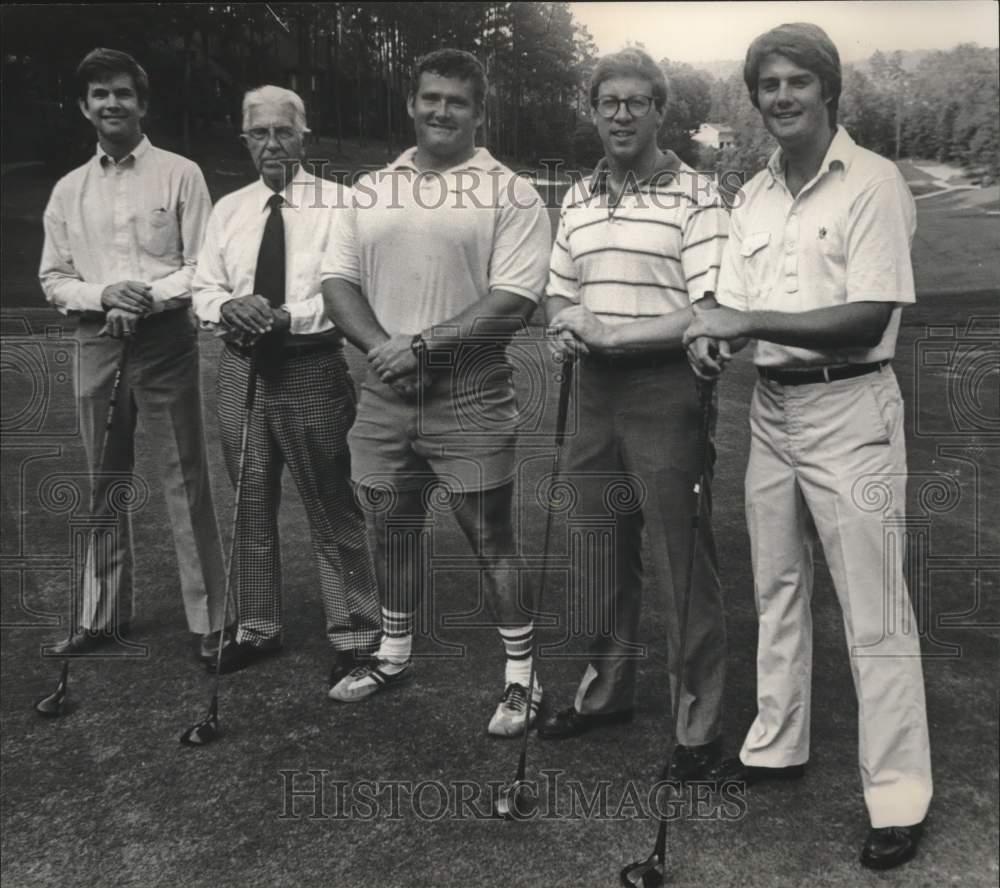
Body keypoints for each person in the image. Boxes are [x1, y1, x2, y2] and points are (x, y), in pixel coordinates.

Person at [684, 22, 932, 870]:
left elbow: (868, 316)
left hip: (852, 410)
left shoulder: (873, 181)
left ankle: (898, 794)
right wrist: (712, 339)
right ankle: (775, 744)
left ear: (829, 90)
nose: (781, 96)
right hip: (772, 412)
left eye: (798, 82)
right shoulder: (752, 194)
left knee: (874, 608)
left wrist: (743, 321)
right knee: (776, 587)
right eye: (769, 84)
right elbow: (732, 304)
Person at [321, 49, 552, 737]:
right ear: (412, 104)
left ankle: (522, 680)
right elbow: (338, 285)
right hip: (385, 392)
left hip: (470, 394)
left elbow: (513, 299)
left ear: (480, 112)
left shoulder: (511, 191)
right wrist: (383, 351)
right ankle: (392, 654)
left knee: (491, 538)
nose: (441, 110)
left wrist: (421, 346)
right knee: (390, 530)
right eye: (430, 98)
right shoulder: (370, 187)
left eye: (456, 100)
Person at [536, 49, 728, 782]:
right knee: (596, 552)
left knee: (682, 561)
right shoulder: (579, 197)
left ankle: (697, 721)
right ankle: (607, 692)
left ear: (658, 111)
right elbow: (558, 290)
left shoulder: (698, 194)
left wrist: (612, 333)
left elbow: (707, 308)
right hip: (592, 394)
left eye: (635, 102)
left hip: (665, 390)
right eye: (607, 101)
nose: (620, 113)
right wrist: (562, 322)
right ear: (592, 109)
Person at [39, 48, 229, 664]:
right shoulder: (69, 189)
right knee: (103, 482)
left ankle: (211, 619)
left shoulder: (181, 174)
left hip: (165, 341)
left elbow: (204, 265)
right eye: (99, 95)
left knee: (185, 478)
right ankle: (101, 616)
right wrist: (104, 295)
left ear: (142, 103)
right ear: (84, 107)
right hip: (96, 342)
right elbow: (55, 278)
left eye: (122, 93)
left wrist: (142, 297)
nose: (111, 103)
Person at [191, 86, 381, 684]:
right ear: (244, 139)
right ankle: (258, 627)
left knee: (330, 503)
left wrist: (284, 316)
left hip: (310, 366)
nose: (271, 144)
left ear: (305, 136)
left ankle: (356, 631)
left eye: (283, 132)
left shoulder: (343, 204)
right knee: (249, 504)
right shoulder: (229, 209)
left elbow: (350, 293)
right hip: (241, 369)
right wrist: (230, 307)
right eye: (258, 133)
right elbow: (203, 288)